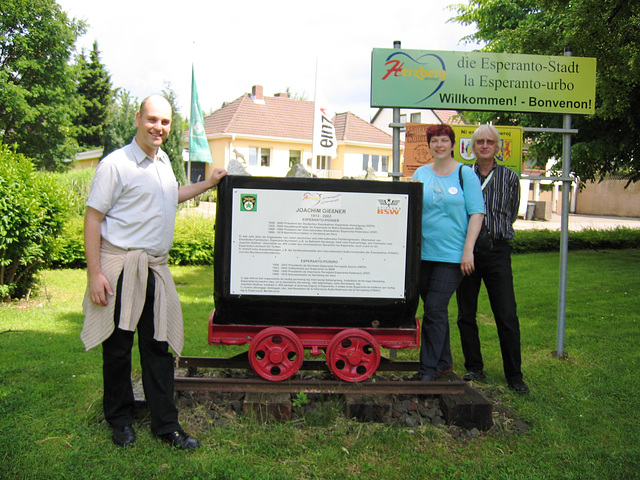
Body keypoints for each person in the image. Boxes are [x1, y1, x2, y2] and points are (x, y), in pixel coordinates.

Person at [81, 95, 227, 448]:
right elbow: (92, 217)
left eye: (164, 121)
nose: (158, 127)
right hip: (120, 268)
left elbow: (170, 195)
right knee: (117, 347)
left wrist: (208, 183)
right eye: (152, 119)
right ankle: (119, 419)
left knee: (158, 347)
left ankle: (165, 424)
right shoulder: (116, 165)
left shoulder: (163, 162)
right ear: (137, 119)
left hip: (155, 271)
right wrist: (94, 274)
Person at [455, 124, 530, 394]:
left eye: (490, 142)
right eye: (480, 142)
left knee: (507, 314)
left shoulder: (510, 177)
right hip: (468, 252)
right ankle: (474, 366)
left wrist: (492, 236)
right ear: (472, 148)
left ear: (498, 147)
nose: (485, 146)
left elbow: (510, 213)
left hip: (498, 251)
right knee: (466, 314)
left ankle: (514, 375)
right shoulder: (462, 176)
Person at [412, 124, 485, 382]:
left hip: (452, 256)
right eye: (434, 141)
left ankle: (428, 370)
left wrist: (468, 252)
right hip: (422, 255)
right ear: (429, 145)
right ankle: (443, 363)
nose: (439, 145)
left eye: (444, 140)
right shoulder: (420, 173)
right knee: (435, 311)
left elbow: (477, 213)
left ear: (453, 145)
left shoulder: (466, 175)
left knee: (434, 309)